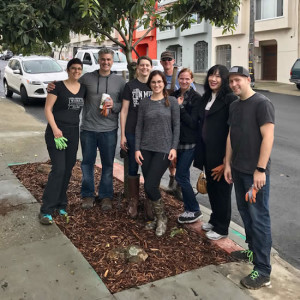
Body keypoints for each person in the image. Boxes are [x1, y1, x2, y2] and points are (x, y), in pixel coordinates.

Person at [224, 66, 275, 289]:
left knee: (259, 217)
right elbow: (230, 135)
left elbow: (268, 137)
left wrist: (260, 170)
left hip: (255, 174)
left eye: (238, 80)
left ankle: (263, 270)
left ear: (247, 79)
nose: (234, 84)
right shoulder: (235, 105)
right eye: (231, 82)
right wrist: (227, 163)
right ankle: (253, 252)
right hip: (238, 169)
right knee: (246, 214)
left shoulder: (262, 103)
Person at [39, 58, 86, 225]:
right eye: (73, 68)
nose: (76, 71)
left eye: (79, 69)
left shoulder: (83, 89)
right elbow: (47, 109)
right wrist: (55, 129)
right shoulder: (57, 87)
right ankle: (46, 210)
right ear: (68, 69)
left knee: (67, 170)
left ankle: (60, 203)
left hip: (73, 132)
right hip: (56, 133)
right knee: (58, 169)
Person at [194, 65, 237, 240]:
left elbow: (232, 131)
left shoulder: (230, 99)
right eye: (211, 75)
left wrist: (227, 161)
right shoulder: (206, 97)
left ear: (224, 80)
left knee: (222, 191)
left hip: (221, 154)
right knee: (212, 187)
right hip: (207, 152)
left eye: (218, 76)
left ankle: (222, 227)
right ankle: (214, 219)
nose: (213, 79)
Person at [79, 48, 125, 210]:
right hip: (88, 129)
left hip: (109, 130)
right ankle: (88, 195)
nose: (106, 62)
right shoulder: (86, 78)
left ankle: (106, 196)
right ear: (99, 60)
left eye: (109, 59)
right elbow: (72, 90)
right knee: (87, 164)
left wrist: (115, 106)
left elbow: (124, 106)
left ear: (113, 61)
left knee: (107, 165)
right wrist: (53, 87)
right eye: (103, 59)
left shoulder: (119, 81)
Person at [135, 70, 180, 237]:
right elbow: (139, 126)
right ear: (150, 84)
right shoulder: (144, 103)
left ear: (164, 83)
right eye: (153, 82)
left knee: (150, 185)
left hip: (163, 149)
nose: (156, 85)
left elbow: (177, 127)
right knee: (149, 185)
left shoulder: (172, 102)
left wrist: (174, 148)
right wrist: (137, 149)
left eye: (159, 82)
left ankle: (162, 218)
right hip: (146, 148)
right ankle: (156, 217)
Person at [120, 56, 153, 219]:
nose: (144, 68)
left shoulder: (155, 84)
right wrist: (122, 135)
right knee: (133, 166)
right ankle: (133, 201)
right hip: (132, 132)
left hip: (150, 134)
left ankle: (148, 201)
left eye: (147, 65)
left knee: (148, 168)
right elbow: (124, 110)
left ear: (151, 67)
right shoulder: (130, 86)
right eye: (142, 65)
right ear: (137, 68)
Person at [160, 50, 195, 199]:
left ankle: (181, 187)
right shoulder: (160, 77)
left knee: (182, 162)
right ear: (161, 62)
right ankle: (173, 181)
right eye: (164, 59)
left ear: (173, 61)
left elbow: (192, 109)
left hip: (184, 129)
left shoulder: (185, 83)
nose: (167, 61)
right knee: (171, 158)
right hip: (168, 124)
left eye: (169, 59)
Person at [170, 68, 203, 224]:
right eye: (181, 79)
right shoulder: (173, 96)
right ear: (177, 79)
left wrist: (180, 108)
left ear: (192, 80)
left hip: (190, 143)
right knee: (184, 176)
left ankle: (194, 209)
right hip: (176, 142)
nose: (183, 81)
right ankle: (189, 208)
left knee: (180, 176)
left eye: (187, 79)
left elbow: (193, 123)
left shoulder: (196, 98)